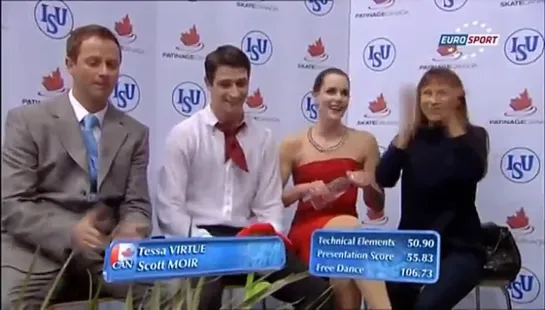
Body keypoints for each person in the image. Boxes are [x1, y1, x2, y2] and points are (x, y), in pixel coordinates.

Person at [155, 45, 335, 310]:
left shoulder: (262, 139)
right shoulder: (184, 135)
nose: (235, 93)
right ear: (208, 84)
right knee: (202, 300)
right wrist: (204, 242)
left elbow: (269, 204)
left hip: (249, 240)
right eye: (225, 84)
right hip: (199, 240)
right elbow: (169, 208)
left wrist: (268, 236)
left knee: (319, 292)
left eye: (241, 83)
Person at [1, 25, 159, 309]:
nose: (104, 72)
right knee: (12, 301)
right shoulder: (27, 121)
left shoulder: (135, 133)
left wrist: (131, 231)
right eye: (93, 62)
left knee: (171, 289)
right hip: (37, 249)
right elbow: (13, 204)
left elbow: (137, 204)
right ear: (69, 65)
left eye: (111, 64)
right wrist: (70, 230)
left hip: (105, 252)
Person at [376, 67, 489, 309]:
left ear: (458, 99)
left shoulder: (474, 136)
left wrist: (453, 123)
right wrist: (404, 136)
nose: (433, 100)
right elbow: (384, 178)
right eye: (426, 93)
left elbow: (473, 172)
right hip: (413, 246)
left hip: (460, 249)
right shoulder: (412, 138)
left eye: (442, 93)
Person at [279, 68, 392, 310]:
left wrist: (368, 184)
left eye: (344, 93)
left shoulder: (365, 141)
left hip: (349, 239)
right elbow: (274, 200)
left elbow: (377, 205)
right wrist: (304, 189)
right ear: (316, 96)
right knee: (349, 231)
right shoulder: (292, 144)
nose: (338, 98)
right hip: (307, 233)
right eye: (331, 91)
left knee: (346, 268)